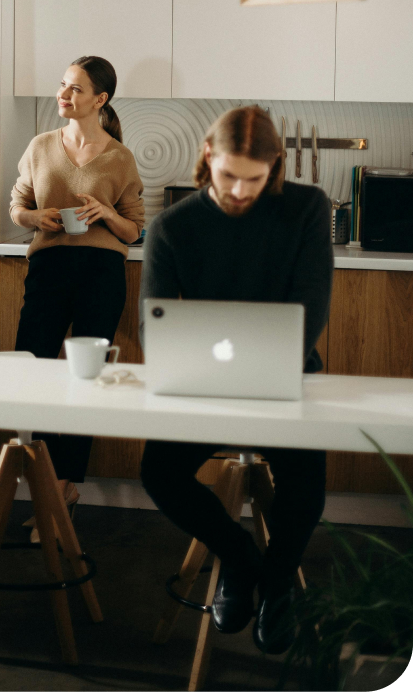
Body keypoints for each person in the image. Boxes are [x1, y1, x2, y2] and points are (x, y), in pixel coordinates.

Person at [140, 106, 332, 654]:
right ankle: (246, 563)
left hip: (289, 375)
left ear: (276, 166)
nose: (241, 191)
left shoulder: (306, 208)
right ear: (208, 157)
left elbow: (312, 305)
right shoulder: (172, 225)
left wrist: (273, 369)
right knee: (159, 471)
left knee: (306, 481)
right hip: (202, 382)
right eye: (229, 176)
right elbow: (153, 326)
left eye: (256, 178)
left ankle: (275, 582)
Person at [10, 56, 145, 528]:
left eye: (75, 89)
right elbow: (17, 205)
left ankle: (65, 489)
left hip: (101, 271)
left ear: (100, 100)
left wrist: (105, 213)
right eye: (63, 85)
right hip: (48, 267)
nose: (63, 95)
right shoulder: (41, 145)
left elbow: (133, 231)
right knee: (36, 369)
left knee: (86, 380)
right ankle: (48, 485)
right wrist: (35, 219)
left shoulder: (119, 157)